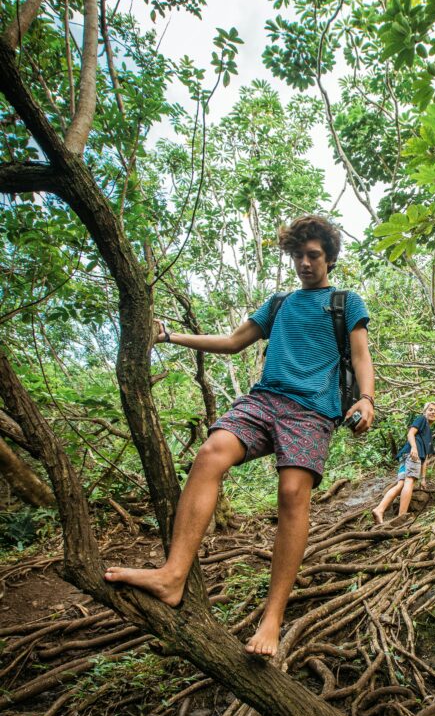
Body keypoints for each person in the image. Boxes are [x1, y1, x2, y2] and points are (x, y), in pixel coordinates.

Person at [105, 215, 375, 659]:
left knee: (292, 493)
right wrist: (170, 336)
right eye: (298, 256)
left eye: (314, 256)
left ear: (329, 258)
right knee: (210, 453)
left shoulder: (345, 303)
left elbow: (362, 357)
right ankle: (173, 575)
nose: (305, 264)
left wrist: (366, 399)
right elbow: (233, 342)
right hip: (265, 399)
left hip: (312, 411)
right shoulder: (279, 303)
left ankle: (272, 619)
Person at [372, 401, 435, 525]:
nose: (433, 412)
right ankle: (402, 516)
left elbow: (425, 458)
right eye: (430, 409)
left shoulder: (429, 435)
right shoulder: (421, 420)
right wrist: (414, 448)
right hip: (412, 455)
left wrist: (423, 478)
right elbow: (410, 433)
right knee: (409, 481)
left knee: (401, 484)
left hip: (408, 456)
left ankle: (379, 509)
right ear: (424, 412)